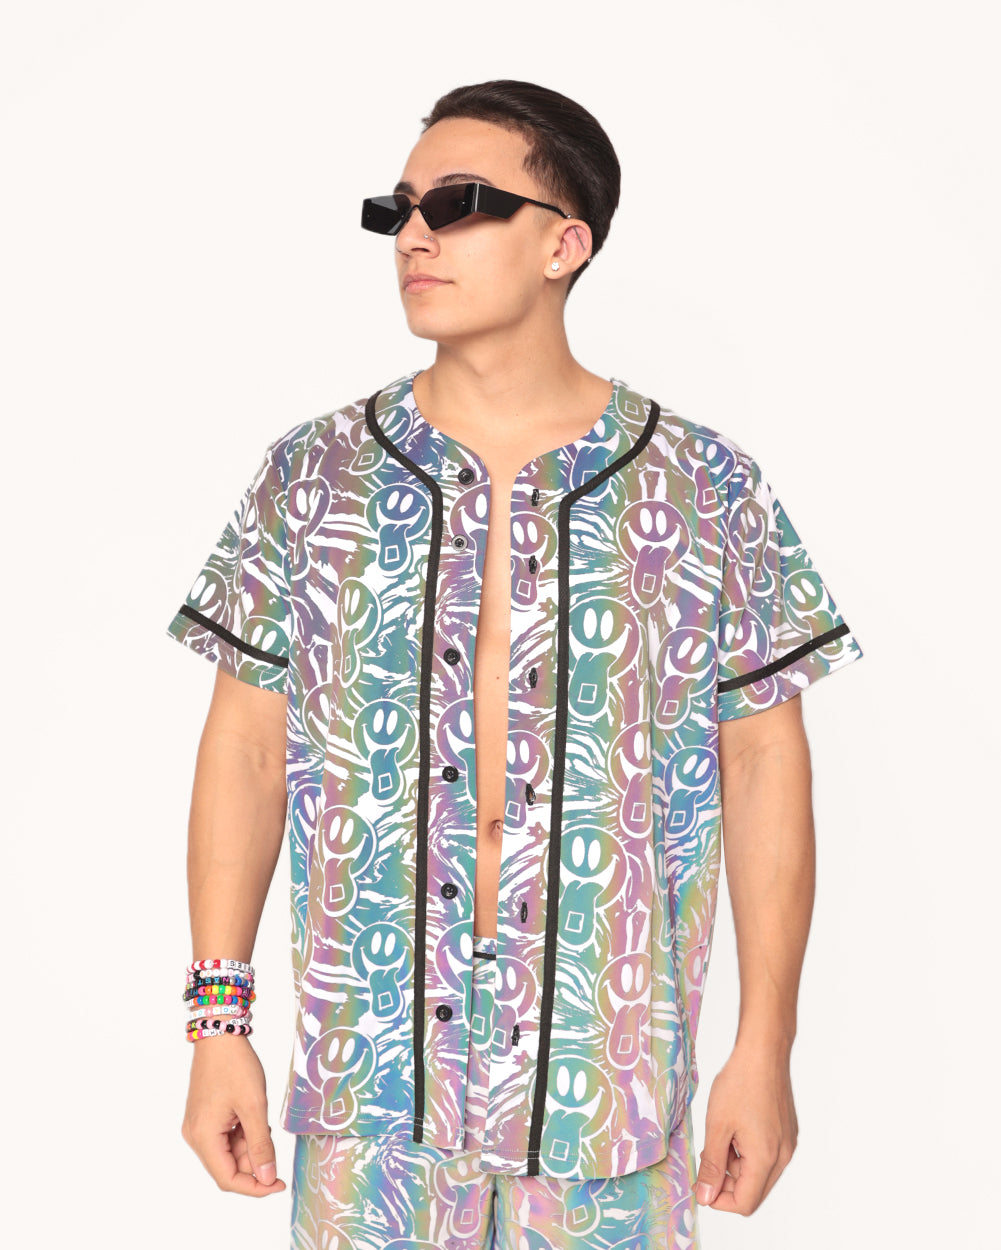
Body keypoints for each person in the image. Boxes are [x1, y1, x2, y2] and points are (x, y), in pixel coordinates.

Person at [168, 79, 863, 1249]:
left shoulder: (704, 488)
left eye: (459, 202)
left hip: (608, 1101)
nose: (414, 234)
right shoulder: (313, 477)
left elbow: (762, 768)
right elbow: (245, 752)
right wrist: (216, 1024)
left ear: (562, 243)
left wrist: (763, 1046)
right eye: (398, 208)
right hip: (370, 1107)